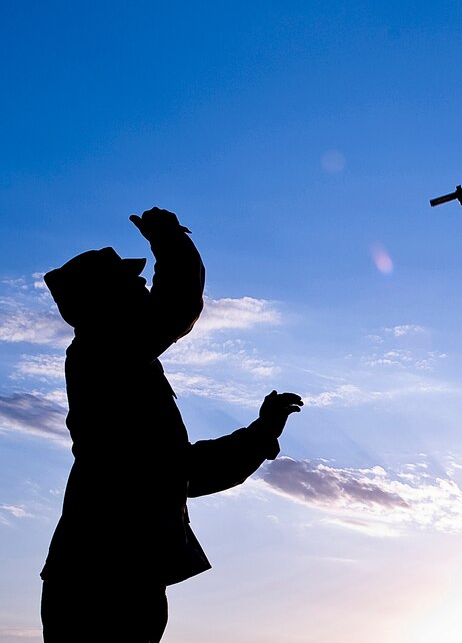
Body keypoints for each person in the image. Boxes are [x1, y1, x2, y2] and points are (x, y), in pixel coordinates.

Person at [40, 207, 303, 642]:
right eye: (128, 279)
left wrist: (260, 436)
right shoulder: (103, 353)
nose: (141, 281)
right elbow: (176, 304)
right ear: (103, 299)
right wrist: (167, 238)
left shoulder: (123, 365)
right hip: (102, 581)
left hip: (122, 577)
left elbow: (178, 471)